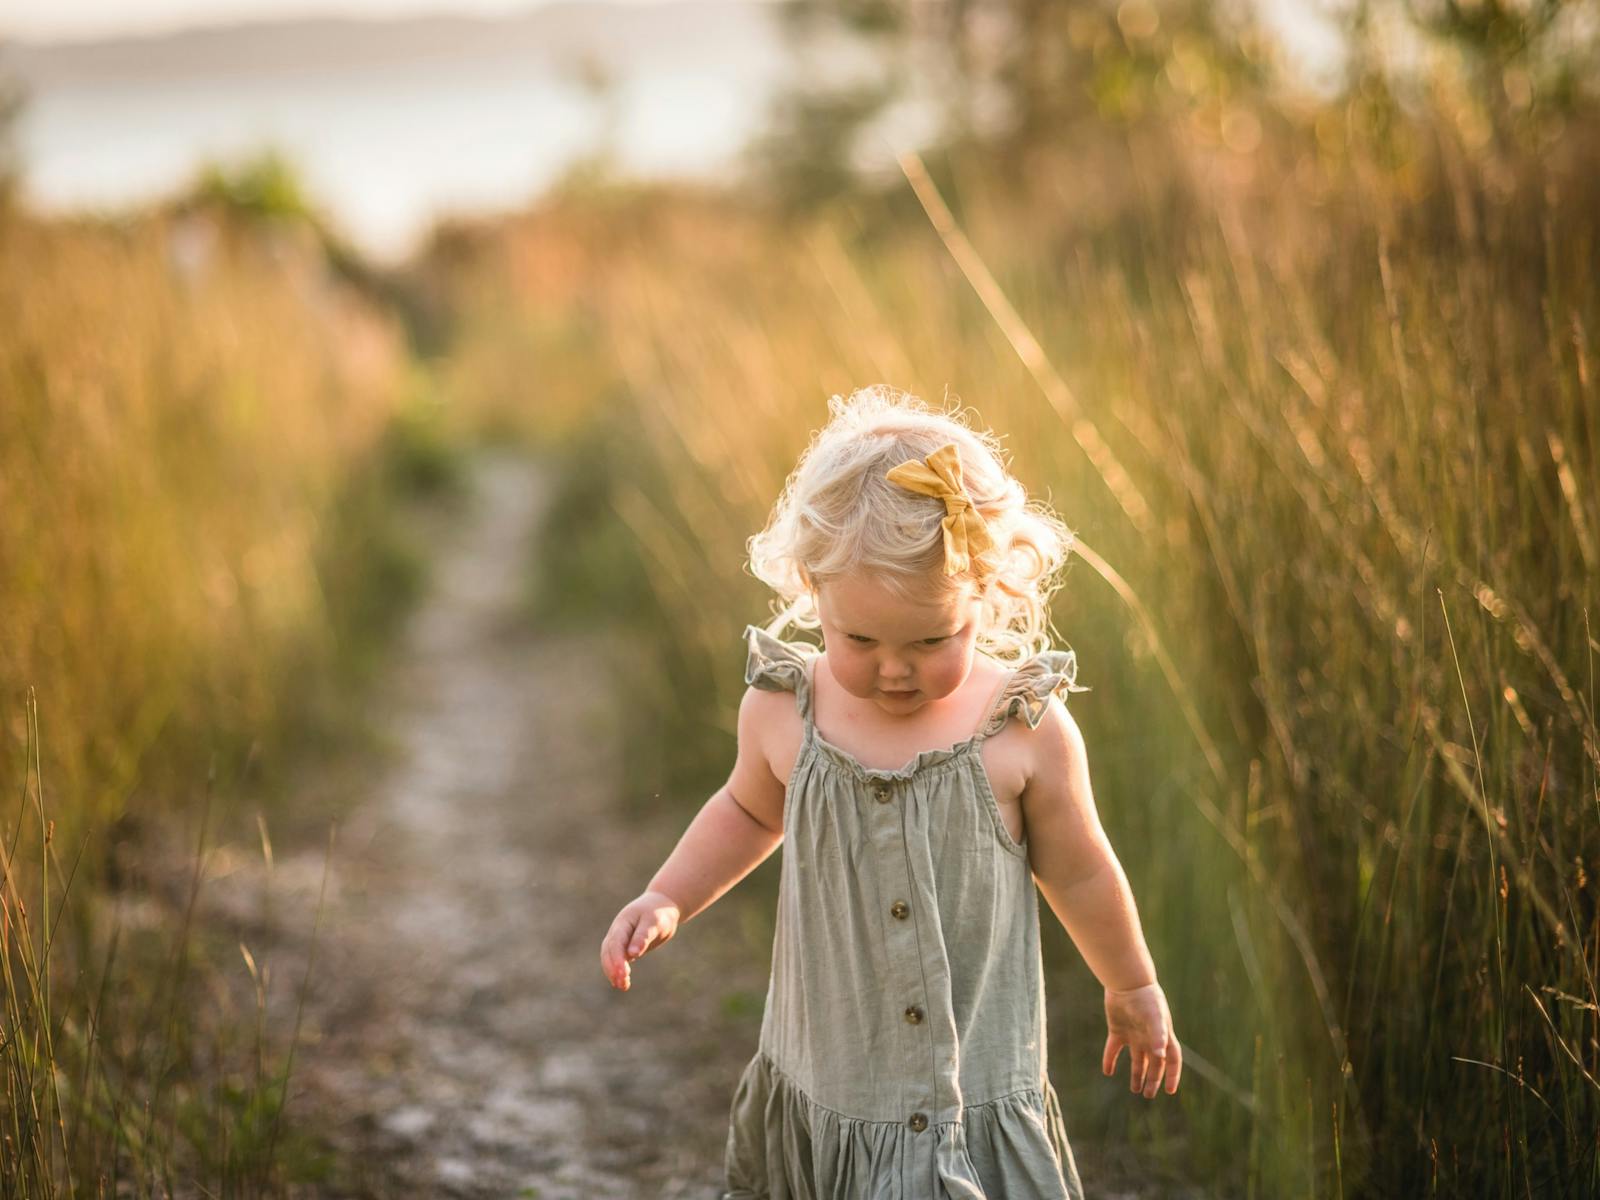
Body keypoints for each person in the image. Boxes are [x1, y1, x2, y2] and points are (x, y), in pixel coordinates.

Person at [600, 386, 1180, 1199]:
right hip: (835, 1079)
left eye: (932, 639)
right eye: (859, 639)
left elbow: (1080, 869)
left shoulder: (1020, 731)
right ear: (813, 590)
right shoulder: (783, 710)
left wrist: (1131, 982)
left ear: (985, 595)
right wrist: (667, 897)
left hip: (970, 1089)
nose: (894, 668)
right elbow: (743, 811)